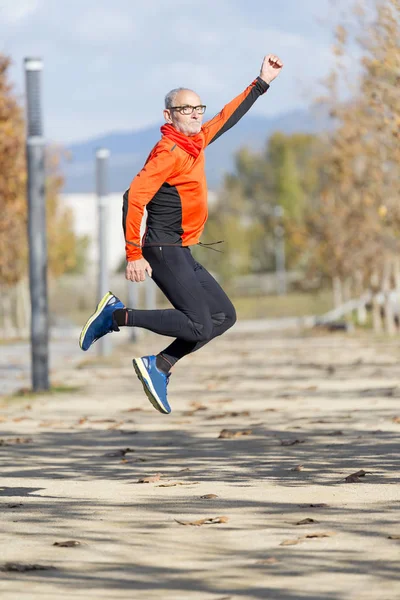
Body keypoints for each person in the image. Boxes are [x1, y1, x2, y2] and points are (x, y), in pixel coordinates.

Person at [79, 54, 283, 415]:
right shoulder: (168, 152)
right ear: (168, 115)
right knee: (199, 323)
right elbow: (133, 197)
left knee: (222, 316)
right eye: (185, 108)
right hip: (160, 248)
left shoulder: (197, 141)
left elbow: (227, 116)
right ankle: (115, 317)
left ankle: (159, 366)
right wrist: (132, 254)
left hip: (181, 249)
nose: (194, 113)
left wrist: (261, 82)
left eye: (197, 107)